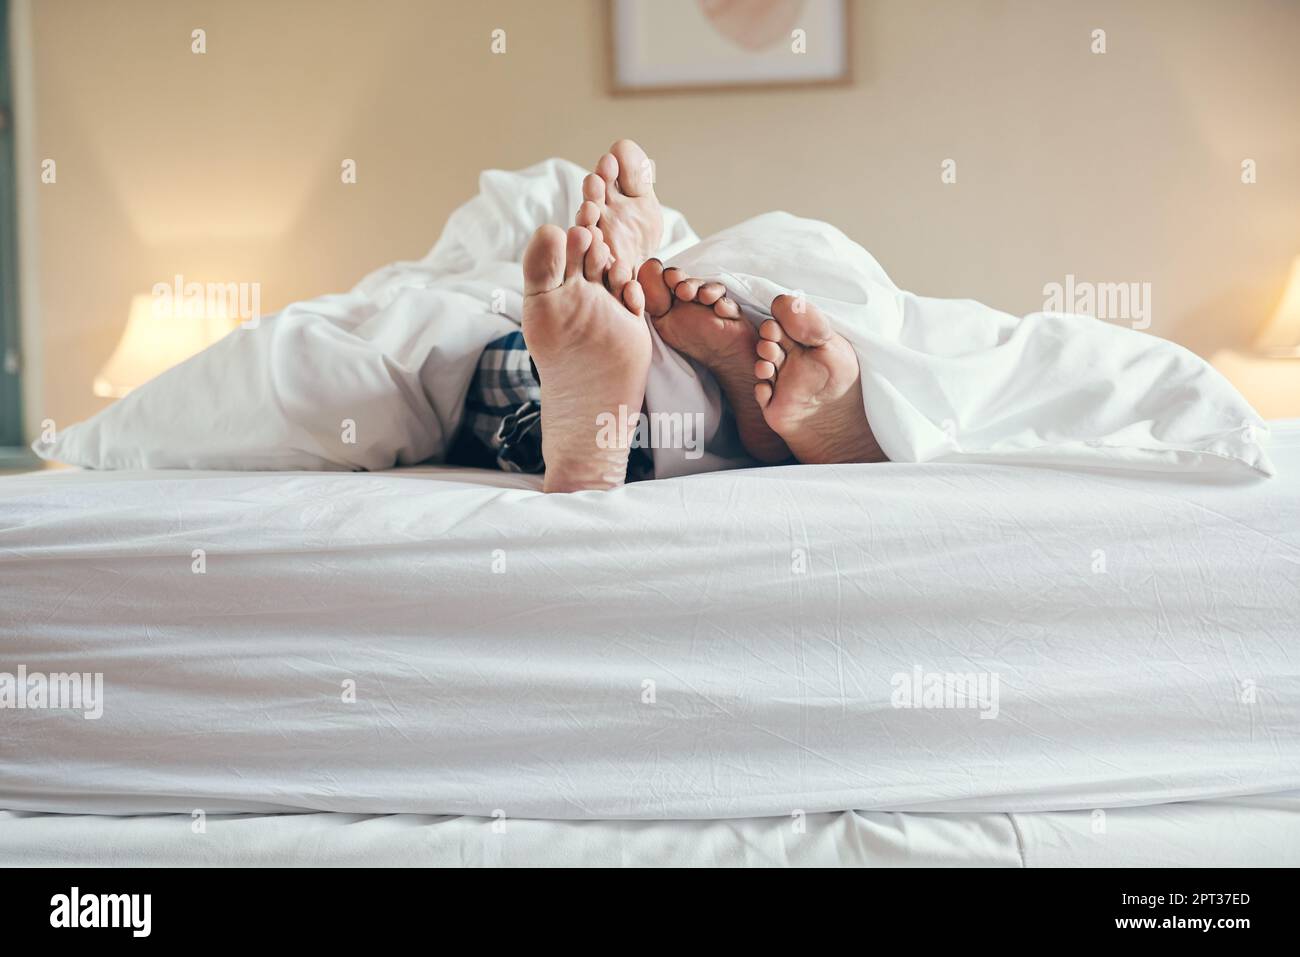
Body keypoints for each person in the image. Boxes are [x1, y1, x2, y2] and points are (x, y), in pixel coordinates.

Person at [459, 139, 886, 493]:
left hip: (585, 362)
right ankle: (756, 427)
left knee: (501, 356)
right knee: (563, 341)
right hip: (637, 366)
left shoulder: (475, 272)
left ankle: (602, 429)